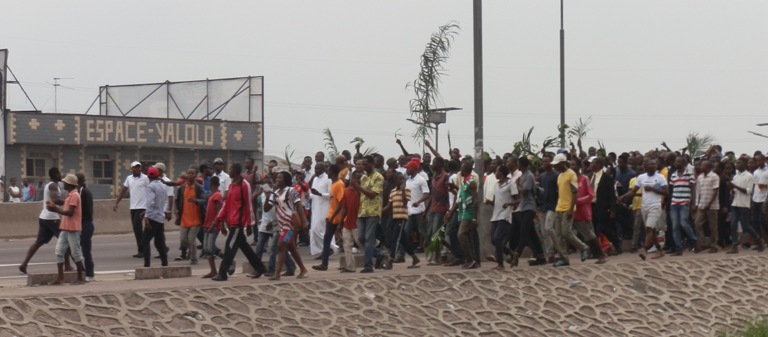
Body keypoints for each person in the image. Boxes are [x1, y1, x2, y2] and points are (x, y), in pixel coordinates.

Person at [212, 163, 268, 281]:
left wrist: (249, 224)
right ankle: (260, 268)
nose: (229, 170)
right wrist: (218, 220)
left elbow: (248, 205)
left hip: (238, 223)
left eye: (231, 168)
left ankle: (222, 273)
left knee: (229, 247)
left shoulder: (244, 185)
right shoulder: (232, 185)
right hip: (232, 221)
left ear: (236, 171)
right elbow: (226, 205)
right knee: (245, 248)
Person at [19, 167, 71, 274]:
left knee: (38, 242)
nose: (61, 175)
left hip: (44, 217)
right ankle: (68, 266)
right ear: (56, 174)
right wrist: (68, 201)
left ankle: (24, 264)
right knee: (65, 240)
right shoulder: (53, 185)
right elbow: (55, 200)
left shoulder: (49, 184)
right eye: (60, 173)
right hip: (52, 218)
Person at [621, 159, 668, 260]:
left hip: (655, 205)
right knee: (652, 229)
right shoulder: (641, 177)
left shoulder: (660, 177)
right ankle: (660, 250)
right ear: (646, 166)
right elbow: (633, 191)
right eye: (651, 163)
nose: (654, 165)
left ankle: (645, 251)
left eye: (654, 163)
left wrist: (653, 189)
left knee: (648, 228)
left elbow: (666, 192)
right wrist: (623, 196)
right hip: (644, 206)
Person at [45, 174, 85, 285]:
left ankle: (80, 278)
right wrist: (58, 203)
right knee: (59, 252)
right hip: (65, 227)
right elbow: (67, 206)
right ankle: (60, 278)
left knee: (75, 253)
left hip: (73, 228)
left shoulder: (75, 195)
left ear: (70, 184)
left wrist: (56, 209)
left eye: (65, 183)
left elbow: (70, 212)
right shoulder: (70, 194)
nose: (64, 184)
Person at [268, 171, 309, 280]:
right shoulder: (276, 192)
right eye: (277, 178)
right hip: (281, 224)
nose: (277, 180)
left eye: (280, 178)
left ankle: (277, 274)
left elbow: (298, 205)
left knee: (281, 245)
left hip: (291, 224)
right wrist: (271, 193)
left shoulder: (292, 190)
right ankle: (303, 269)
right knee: (291, 248)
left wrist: (304, 220)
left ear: (285, 179)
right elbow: (267, 208)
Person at [551, 153, 590, 267]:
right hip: (559, 207)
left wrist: (571, 208)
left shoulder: (571, 174)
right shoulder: (559, 176)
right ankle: (564, 258)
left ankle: (583, 247)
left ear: (563, 163)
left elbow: (575, 193)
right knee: (559, 234)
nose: (555, 167)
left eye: (557, 165)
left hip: (568, 208)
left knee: (566, 232)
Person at [353, 156, 387, 273]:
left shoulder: (379, 177)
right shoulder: (363, 178)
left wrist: (358, 187)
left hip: (373, 211)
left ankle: (368, 266)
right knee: (361, 238)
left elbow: (373, 194)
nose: (363, 166)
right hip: (363, 211)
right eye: (362, 164)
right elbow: (361, 195)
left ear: (372, 164)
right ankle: (378, 254)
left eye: (365, 164)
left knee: (369, 238)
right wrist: (356, 189)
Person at [571, 159, 607, 264]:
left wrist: (578, 201)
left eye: (574, 164)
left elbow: (591, 195)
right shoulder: (571, 179)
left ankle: (601, 254)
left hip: (583, 212)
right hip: (572, 212)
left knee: (590, 235)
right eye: (571, 165)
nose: (572, 167)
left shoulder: (584, 179)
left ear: (578, 166)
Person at [446, 161, 481, 269]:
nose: (460, 171)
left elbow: (476, 200)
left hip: (468, 213)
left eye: (462, 169)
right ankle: (472, 260)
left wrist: (475, 217)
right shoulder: (463, 183)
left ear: (465, 170)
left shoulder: (472, 182)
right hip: (462, 212)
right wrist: (451, 213)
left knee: (461, 234)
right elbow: (458, 200)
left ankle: (470, 259)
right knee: (468, 236)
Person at [383, 172, 420, 269]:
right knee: (403, 240)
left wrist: (403, 189)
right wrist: (379, 212)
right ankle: (414, 258)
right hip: (394, 217)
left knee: (396, 239)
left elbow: (404, 202)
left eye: (403, 179)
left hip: (402, 217)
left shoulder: (407, 190)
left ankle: (390, 261)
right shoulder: (393, 191)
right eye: (400, 179)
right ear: (395, 180)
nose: (402, 181)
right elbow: (388, 206)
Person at [728, 157, 764, 253]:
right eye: (736, 163)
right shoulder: (736, 176)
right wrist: (731, 189)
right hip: (735, 202)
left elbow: (748, 191)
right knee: (733, 224)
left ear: (744, 164)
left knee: (746, 226)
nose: (736, 165)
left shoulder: (749, 176)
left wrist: (735, 186)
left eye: (739, 163)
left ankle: (758, 239)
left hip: (744, 204)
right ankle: (734, 245)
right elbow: (734, 190)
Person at [114, 161, 149, 258]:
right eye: (135, 167)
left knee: (138, 227)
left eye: (138, 167)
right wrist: (117, 202)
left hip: (142, 207)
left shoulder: (145, 178)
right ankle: (142, 249)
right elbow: (123, 191)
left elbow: (150, 191)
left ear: (141, 168)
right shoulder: (129, 178)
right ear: (132, 169)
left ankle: (143, 250)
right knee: (136, 228)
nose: (137, 169)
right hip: (133, 207)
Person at [313, 164, 345, 271]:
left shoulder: (339, 184)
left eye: (329, 170)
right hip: (331, 216)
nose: (327, 172)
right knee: (327, 239)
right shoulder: (333, 184)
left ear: (333, 172)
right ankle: (324, 264)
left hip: (337, 217)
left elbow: (341, 202)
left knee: (349, 239)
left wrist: (334, 216)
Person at [668, 156, 701, 255]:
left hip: (684, 202)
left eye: (679, 161)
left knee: (684, 223)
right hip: (674, 202)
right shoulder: (673, 175)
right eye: (675, 161)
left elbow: (693, 189)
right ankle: (679, 248)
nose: (676, 163)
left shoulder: (689, 174)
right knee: (675, 226)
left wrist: (694, 203)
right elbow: (671, 189)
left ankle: (695, 242)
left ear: (683, 163)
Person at [175, 166, 206, 264]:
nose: (190, 175)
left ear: (196, 176)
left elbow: (204, 200)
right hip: (184, 219)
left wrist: (195, 201)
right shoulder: (182, 188)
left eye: (192, 173)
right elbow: (177, 200)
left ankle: (193, 259)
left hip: (196, 220)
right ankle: (191, 251)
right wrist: (176, 209)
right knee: (184, 240)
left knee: (191, 239)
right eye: (189, 173)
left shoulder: (199, 188)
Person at [489, 165, 517, 270]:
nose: (495, 173)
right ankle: (511, 253)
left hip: (505, 215)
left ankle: (500, 264)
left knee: (498, 238)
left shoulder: (511, 184)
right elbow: (496, 201)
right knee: (493, 240)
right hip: (495, 215)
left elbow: (517, 200)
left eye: (497, 171)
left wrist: (509, 204)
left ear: (501, 173)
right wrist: (490, 202)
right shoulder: (496, 185)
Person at [141, 167, 169, 267]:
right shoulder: (163, 186)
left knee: (145, 241)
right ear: (158, 175)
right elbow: (165, 201)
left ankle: (147, 264)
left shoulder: (150, 187)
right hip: (160, 217)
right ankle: (165, 263)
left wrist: (146, 216)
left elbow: (150, 202)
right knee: (159, 242)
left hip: (152, 217)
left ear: (148, 176)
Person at [694, 160, 720, 252]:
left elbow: (715, 191)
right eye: (701, 165)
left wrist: (709, 203)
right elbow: (698, 191)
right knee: (697, 224)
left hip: (712, 206)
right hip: (701, 205)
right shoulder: (700, 177)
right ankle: (702, 243)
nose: (701, 167)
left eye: (703, 165)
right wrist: (697, 204)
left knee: (713, 226)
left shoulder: (714, 176)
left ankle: (714, 245)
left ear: (709, 167)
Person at [339, 172, 362, 272]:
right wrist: (340, 222)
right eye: (352, 178)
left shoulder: (361, 192)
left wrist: (358, 188)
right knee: (347, 245)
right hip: (348, 221)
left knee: (360, 242)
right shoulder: (347, 191)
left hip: (358, 221)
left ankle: (377, 252)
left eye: (355, 179)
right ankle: (350, 266)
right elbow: (344, 208)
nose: (353, 181)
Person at [308, 162, 333, 257]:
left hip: (324, 207)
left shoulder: (328, 179)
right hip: (315, 207)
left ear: (323, 169)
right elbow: (313, 193)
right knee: (313, 231)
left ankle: (331, 246)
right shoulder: (315, 179)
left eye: (317, 169)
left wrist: (320, 194)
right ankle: (325, 250)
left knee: (318, 230)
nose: (315, 171)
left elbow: (331, 195)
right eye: (315, 169)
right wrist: (308, 195)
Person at [202, 177, 224, 278]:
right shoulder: (212, 195)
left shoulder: (217, 195)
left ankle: (228, 259)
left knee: (211, 247)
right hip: (207, 224)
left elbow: (220, 212)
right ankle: (213, 270)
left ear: (211, 184)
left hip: (213, 225)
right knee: (207, 248)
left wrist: (214, 224)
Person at [76, 173, 96, 282]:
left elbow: (86, 210)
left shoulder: (83, 192)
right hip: (84, 223)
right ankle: (82, 270)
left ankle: (89, 273)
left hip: (86, 224)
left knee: (86, 250)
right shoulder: (82, 191)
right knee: (77, 249)